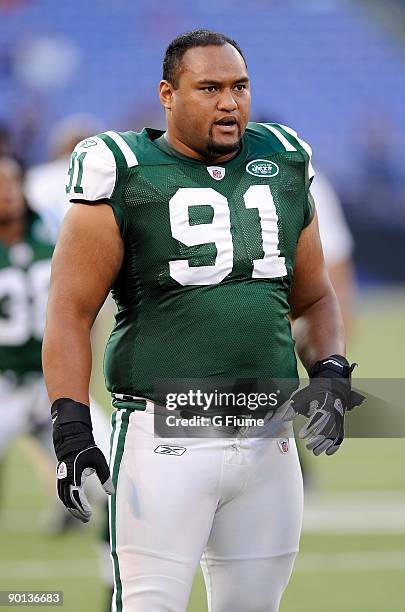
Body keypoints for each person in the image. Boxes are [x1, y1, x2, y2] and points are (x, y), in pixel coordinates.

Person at [43, 30, 363, 612]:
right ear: (168, 93)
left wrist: (332, 369)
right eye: (209, 88)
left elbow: (315, 298)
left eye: (239, 87)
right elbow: (70, 309)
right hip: (162, 437)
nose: (229, 103)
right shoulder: (123, 170)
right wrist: (69, 424)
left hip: (268, 441)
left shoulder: (282, 160)